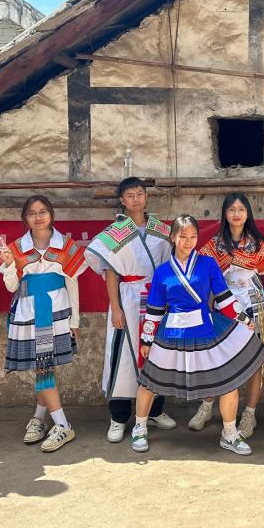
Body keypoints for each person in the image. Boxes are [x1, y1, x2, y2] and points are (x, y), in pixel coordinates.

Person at [132, 215, 264, 455]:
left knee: (227, 383)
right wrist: (146, 339)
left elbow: (224, 298)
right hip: (171, 332)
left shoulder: (208, 264)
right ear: (172, 238)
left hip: (205, 330)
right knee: (150, 382)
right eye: (183, 236)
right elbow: (154, 310)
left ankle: (229, 433)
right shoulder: (163, 271)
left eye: (193, 236)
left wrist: (244, 319)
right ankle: (140, 427)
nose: (188, 241)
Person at [0, 195, 87, 452]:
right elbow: (12, 286)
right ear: (25, 218)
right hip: (28, 312)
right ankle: (41, 417)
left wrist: (75, 320)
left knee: (44, 367)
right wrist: (9, 264)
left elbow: (73, 283)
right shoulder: (14, 248)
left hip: (56, 312)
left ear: (51, 214)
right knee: (42, 367)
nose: (38, 217)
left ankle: (62, 425)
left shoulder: (67, 246)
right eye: (32, 213)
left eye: (42, 211)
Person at [85, 177, 176, 444]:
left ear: (146, 197)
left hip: (156, 298)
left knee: (156, 352)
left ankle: (155, 410)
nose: (136, 199)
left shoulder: (161, 230)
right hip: (127, 297)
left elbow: (171, 266)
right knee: (123, 355)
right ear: (122, 200)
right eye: (130, 195)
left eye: (140, 194)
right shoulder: (114, 233)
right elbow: (110, 273)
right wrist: (115, 308)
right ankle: (118, 417)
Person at [191, 193, 264, 438]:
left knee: (255, 361)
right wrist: (207, 308)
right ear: (225, 214)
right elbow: (208, 280)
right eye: (232, 209)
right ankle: (207, 406)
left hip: (253, 304)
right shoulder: (214, 245)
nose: (236, 214)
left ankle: (249, 414)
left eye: (241, 209)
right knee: (217, 358)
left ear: (248, 214)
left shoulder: (259, 245)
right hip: (223, 305)